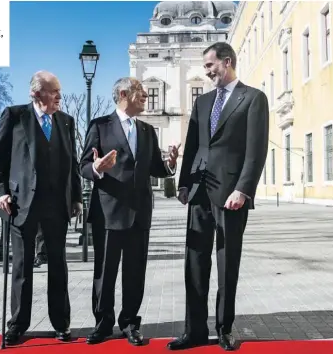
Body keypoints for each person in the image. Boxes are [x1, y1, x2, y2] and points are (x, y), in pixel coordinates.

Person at [168, 42, 269, 351]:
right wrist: (184, 183)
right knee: (195, 263)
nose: (207, 71)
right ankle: (194, 331)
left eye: (210, 65)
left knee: (227, 264)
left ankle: (224, 329)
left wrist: (244, 189)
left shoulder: (253, 98)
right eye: (205, 66)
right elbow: (194, 144)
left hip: (231, 195)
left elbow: (256, 149)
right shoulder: (203, 102)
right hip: (199, 192)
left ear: (227, 62)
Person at [79, 77, 179, 346]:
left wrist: (170, 164)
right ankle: (102, 324)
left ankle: (130, 323)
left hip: (140, 213)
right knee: (105, 271)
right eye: (139, 91)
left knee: (135, 272)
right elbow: (84, 166)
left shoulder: (147, 130)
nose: (145, 94)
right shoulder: (100, 126)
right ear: (123, 94)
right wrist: (97, 167)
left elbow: (156, 168)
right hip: (109, 212)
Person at [0, 70, 83, 345]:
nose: (59, 97)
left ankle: (61, 324)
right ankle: (18, 324)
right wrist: (0, 193)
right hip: (21, 205)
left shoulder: (66, 121)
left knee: (58, 267)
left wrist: (76, 198)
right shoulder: (15, 115)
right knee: (22, 267)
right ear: (35, 93)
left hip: (57, 206)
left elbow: (72, 164)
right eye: (53, 91)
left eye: (59, 91)